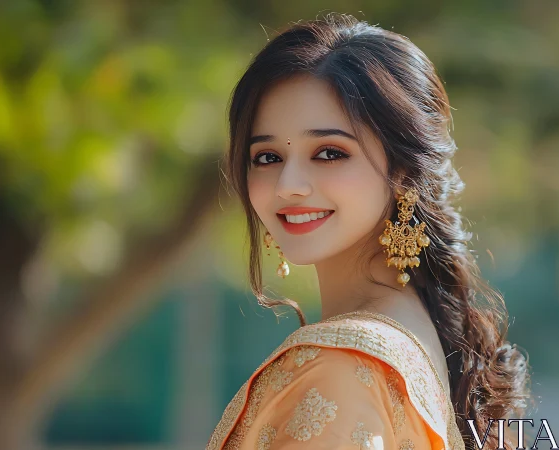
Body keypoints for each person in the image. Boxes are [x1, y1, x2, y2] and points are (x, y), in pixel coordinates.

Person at [206, 13, 530, 450]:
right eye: (266, 157)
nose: (288, 186)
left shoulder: (340, 367)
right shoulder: (414, 338)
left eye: (328, 152)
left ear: (403, 171)